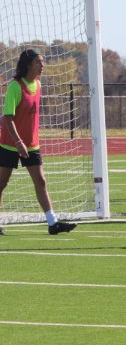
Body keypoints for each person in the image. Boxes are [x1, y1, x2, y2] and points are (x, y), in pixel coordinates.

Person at [0, 49, 76, 235]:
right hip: (10, 143)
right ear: (28, 65)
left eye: (43, 62)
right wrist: (18, 142)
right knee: (2, 183)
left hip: (32, 144)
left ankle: (53, 223)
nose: (42, 66)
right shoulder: (15, 87)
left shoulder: (39, 85)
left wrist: (27, 141)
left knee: (40, 181)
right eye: (38, 62)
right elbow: (7, 117)